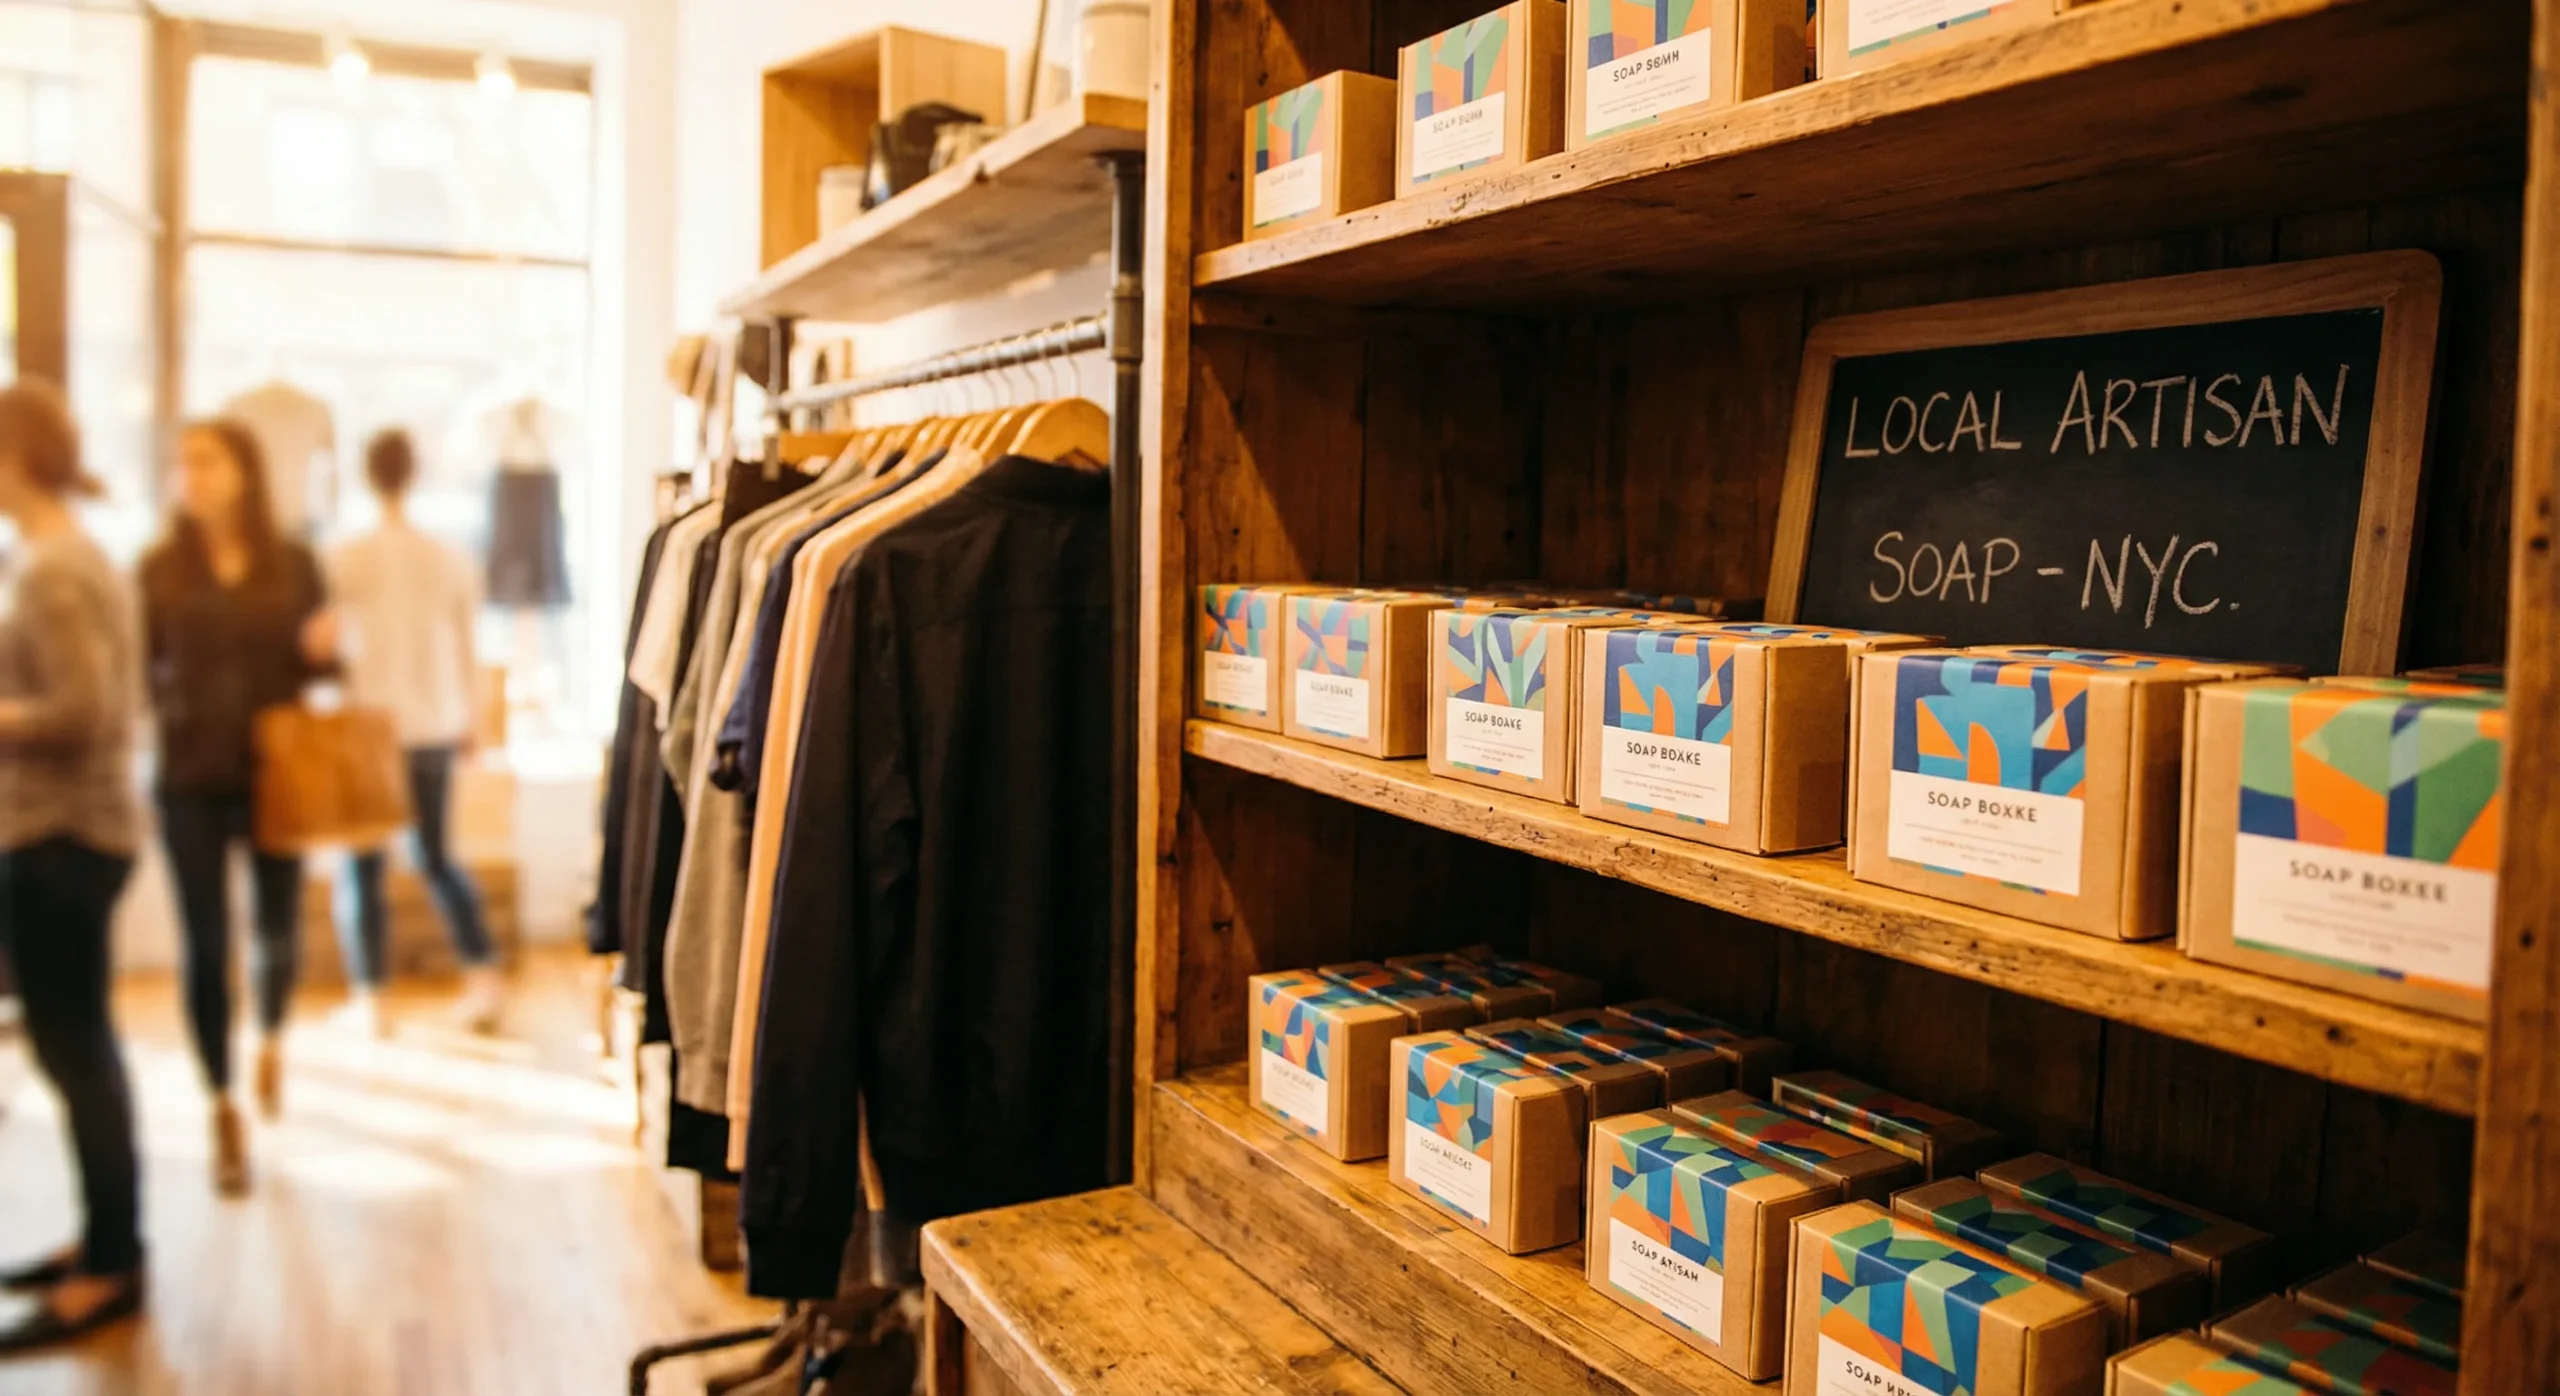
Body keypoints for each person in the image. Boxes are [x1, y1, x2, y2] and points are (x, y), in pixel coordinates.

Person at [138, 418, 334, 1196]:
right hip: (189, 771)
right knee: (204, 939)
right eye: (182, 462)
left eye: (206, 461)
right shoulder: (158, 568)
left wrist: (325, 651)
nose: (191, 475)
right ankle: (221, 1099)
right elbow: (138, 669)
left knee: (278, 927)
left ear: (243, 471)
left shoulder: (295, 563)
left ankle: (273, 1035)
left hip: (275, 769)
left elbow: (321, 667)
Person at [0, 379, 147, 1348]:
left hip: (62, 835)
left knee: (76, 1050)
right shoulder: (59, 553)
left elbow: (83, 711)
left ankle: (109, 1264)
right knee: (76, 1047)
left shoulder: (54, 567)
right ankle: (104, 1241)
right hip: (67, 832)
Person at [325, 429, 501, 1033]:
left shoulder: (345, 555)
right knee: (437, 858)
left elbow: (326, 644)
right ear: (413, 473)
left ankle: (372, 999)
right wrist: (475, 721)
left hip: (368, 723)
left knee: (363, 865)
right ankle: (482, 977)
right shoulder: (447, 555)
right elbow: (469, 646)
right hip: (433, 721)